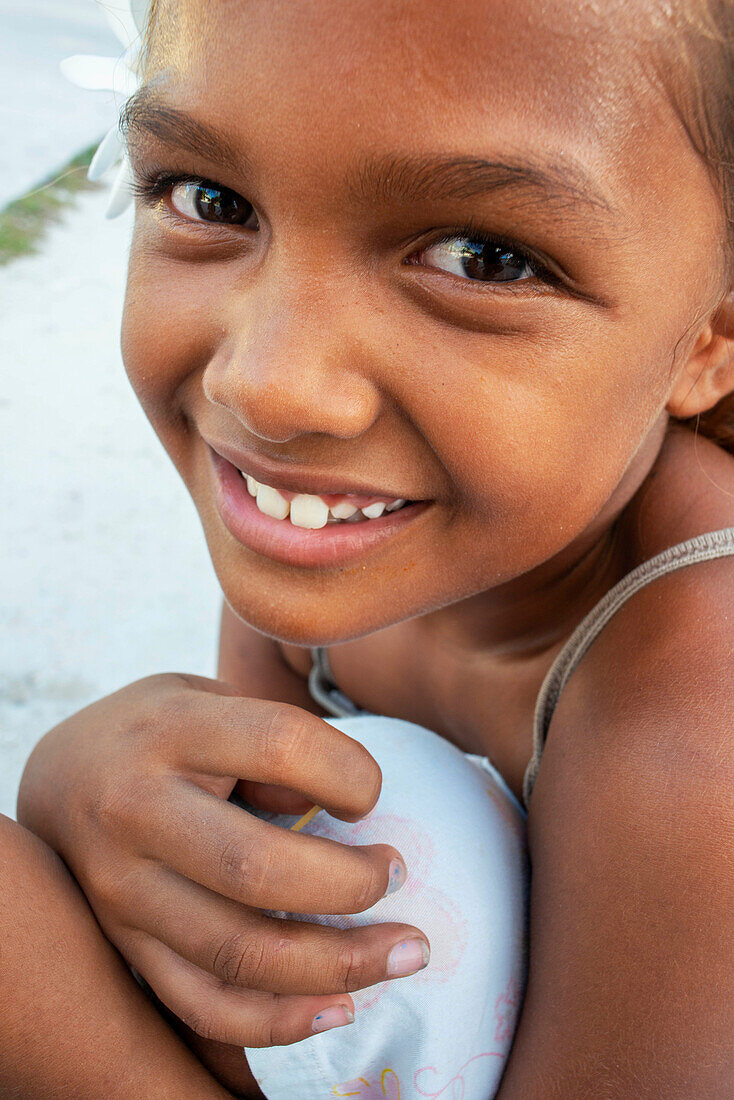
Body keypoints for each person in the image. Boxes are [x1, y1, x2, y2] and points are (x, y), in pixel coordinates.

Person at [3, 0, 734, 1095]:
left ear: (709, 341)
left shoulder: (696, 728)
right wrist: (76, 787)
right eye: (210, 198)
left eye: (483, 258)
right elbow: (246, 897)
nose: (268, 381)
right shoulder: (340, 539)